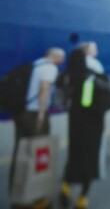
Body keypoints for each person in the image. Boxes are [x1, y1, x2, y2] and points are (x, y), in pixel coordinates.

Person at [9, 47, 65, 209]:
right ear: (55, 57)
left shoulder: (34, 65)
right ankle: (33, 196)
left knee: (20, 150)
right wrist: (42, 114)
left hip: (21, 112)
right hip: (35, 114)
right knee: (38, 153)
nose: (63, 61)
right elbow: (44, 90)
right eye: (62, 57)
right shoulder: (50, 68)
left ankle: (16, 193)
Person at [59, 42, 106, 209]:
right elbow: (102, 94)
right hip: (92, 119)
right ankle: (83, 198)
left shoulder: (70, 69)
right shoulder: (94, 68)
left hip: (75, 116)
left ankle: (66, 186)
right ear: (88, 52)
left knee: (75, 151)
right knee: (90, 155)